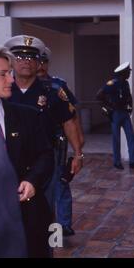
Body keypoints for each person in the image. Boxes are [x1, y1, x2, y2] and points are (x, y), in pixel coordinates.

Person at [4, 35, 84, 239]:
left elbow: (69, 121)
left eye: (31, 57)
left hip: (46, 158)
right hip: (9, 158)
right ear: (12, 61)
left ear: (39, 62)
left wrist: (77, 154)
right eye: (20, 57)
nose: (26, 61)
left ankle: (51, 243)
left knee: (49, 205)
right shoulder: (3, 89)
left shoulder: (52, 91)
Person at [0, 46, 54, 257]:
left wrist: (32, 181)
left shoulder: (26, 116)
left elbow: (45, 155)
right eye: (3, 74)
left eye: (10, 73)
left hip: (23, 215)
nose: (11, 80)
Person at [37, 46, 84, 237]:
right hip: (30, 145)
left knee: (60, 182)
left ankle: (62, 225)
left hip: (56, 143)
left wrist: (79, 144)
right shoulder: (17, 86)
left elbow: (71, 115)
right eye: (37, 61)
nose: (39, 65)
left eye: (43, 61)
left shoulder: (57, 85)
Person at [96, 62, 134, 170]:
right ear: (123, 73)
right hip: (115, 113)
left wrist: (129, 105)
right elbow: (99, 96)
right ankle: (117, 162)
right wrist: (107, 108)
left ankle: (133, 161)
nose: (129, 74)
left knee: (131, 137)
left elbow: (128, 97)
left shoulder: (125, 83)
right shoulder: (112, 83)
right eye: (128, 72)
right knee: (116, 139)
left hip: (124, 113)